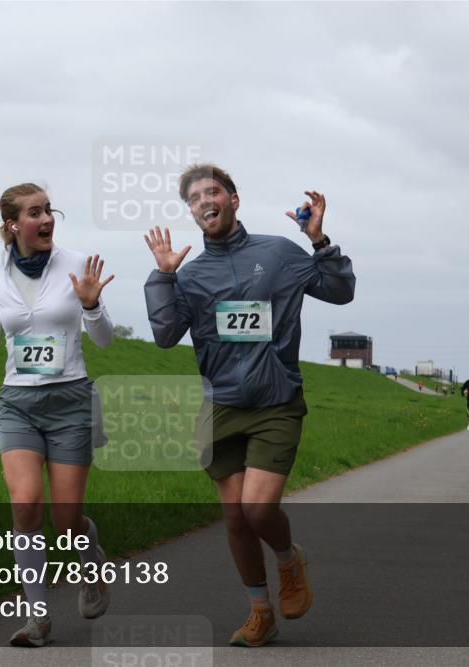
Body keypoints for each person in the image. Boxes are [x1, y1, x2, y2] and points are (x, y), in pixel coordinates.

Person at [143, 164, 355, 647]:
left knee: (258, 510)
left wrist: (321, 242)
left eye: (212, 191)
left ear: (234, 199)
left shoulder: (279, 253)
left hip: (276, 400)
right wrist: (163, 277)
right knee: (235, 517)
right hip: (220, 407)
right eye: (194, 197)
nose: (204, 201)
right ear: (191, 211)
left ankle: (287, 557)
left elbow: (341, 292)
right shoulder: (191, 275)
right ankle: (261, 612)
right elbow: (163, 335)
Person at [0, 182, 115, 647]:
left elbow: (104, 339)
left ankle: (91, 561)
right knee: (25, 505)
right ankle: (38, 618)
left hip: (70, 399)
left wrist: (91, 304)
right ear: (12, 224)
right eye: (34, 212)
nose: (46, 219)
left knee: (67, 520)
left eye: (49, 210)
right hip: (18, 404)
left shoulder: (77, 264)